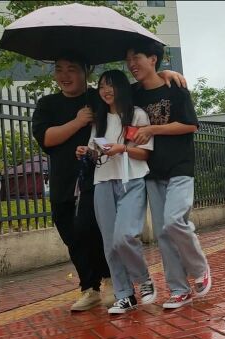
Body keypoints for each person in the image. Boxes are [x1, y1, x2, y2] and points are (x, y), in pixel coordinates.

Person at [128, 40, 212, 309]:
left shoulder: (176, 88)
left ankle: (199, 270)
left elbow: (189, 125)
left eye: (136, 57)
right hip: (152, 170)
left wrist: (153, 129)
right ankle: (178, 289)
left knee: (175, 221)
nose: (131, 64)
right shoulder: (133, 94)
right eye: (127, 59)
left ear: (153, 59)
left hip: (180, 167)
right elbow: (108, 97)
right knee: (163, 233)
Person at [32, 56, 112, 311]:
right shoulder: (47, 104)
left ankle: (110, 280)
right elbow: (47, 138)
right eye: (59, 70)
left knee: (91, 228)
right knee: (71, 234)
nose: (64, 76)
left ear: (86, 71)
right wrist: (78, 121)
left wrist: (166, 75)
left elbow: (131, 97)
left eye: (72, 69)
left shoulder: (98, 97)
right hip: (62, 179)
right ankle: (90, 288)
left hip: (96, 175)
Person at [76, 70, 156, 314]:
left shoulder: (138, 115)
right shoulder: (99, 119)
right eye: (101, 86)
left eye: (110, 85)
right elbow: (95, 150)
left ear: (121, 87)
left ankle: (144, 280)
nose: (105, 90)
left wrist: (122, 149)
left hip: (131, 180)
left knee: (124, 237)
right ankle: (125, 295)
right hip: (103, 182)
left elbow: (145, 153)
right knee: (110, 244)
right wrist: (86, 151)